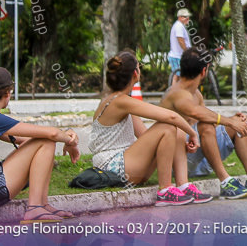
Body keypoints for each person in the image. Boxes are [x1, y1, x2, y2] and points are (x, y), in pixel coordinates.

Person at [0, 67, 79, 223]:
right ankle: (35, 207)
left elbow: (24, 140)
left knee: (45, 141)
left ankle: (42, 204)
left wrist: (64, 135)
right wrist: (71, 140)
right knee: (46, 140)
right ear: (7, 93)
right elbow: (50, 134)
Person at [90, 51, 210, 206]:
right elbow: (170, 117)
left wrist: (176, 143)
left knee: (176, 131)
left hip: (127, 167)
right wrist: (192, 133)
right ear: (135, 73)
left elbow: (145, 136)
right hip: (112, 167)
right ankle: (165, 190)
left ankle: (183, 185)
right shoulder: (120, 101)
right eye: (139, 68)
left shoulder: (123, 102)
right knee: (169, 125)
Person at [160, 48, 247, 199]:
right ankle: (226, 183)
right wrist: (229, 121)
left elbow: (206, 118)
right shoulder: (177, 93)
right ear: (204, 71)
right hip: (179, 163)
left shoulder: (195, 93)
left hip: (199, 154)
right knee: (210, 125)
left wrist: (233, 121)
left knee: (239, 123)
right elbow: (196, 113)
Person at [168, 8, 192, 86]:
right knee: (177, 76)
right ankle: (174, 94)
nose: (187, 19)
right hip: (177, 56)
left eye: (188, 17)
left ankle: (176, 93)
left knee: (179, 76)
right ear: (180, 17)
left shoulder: (180, 26)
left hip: (178, 55)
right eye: (185, 17)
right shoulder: (178, 26)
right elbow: (180, 40)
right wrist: (186, 51)